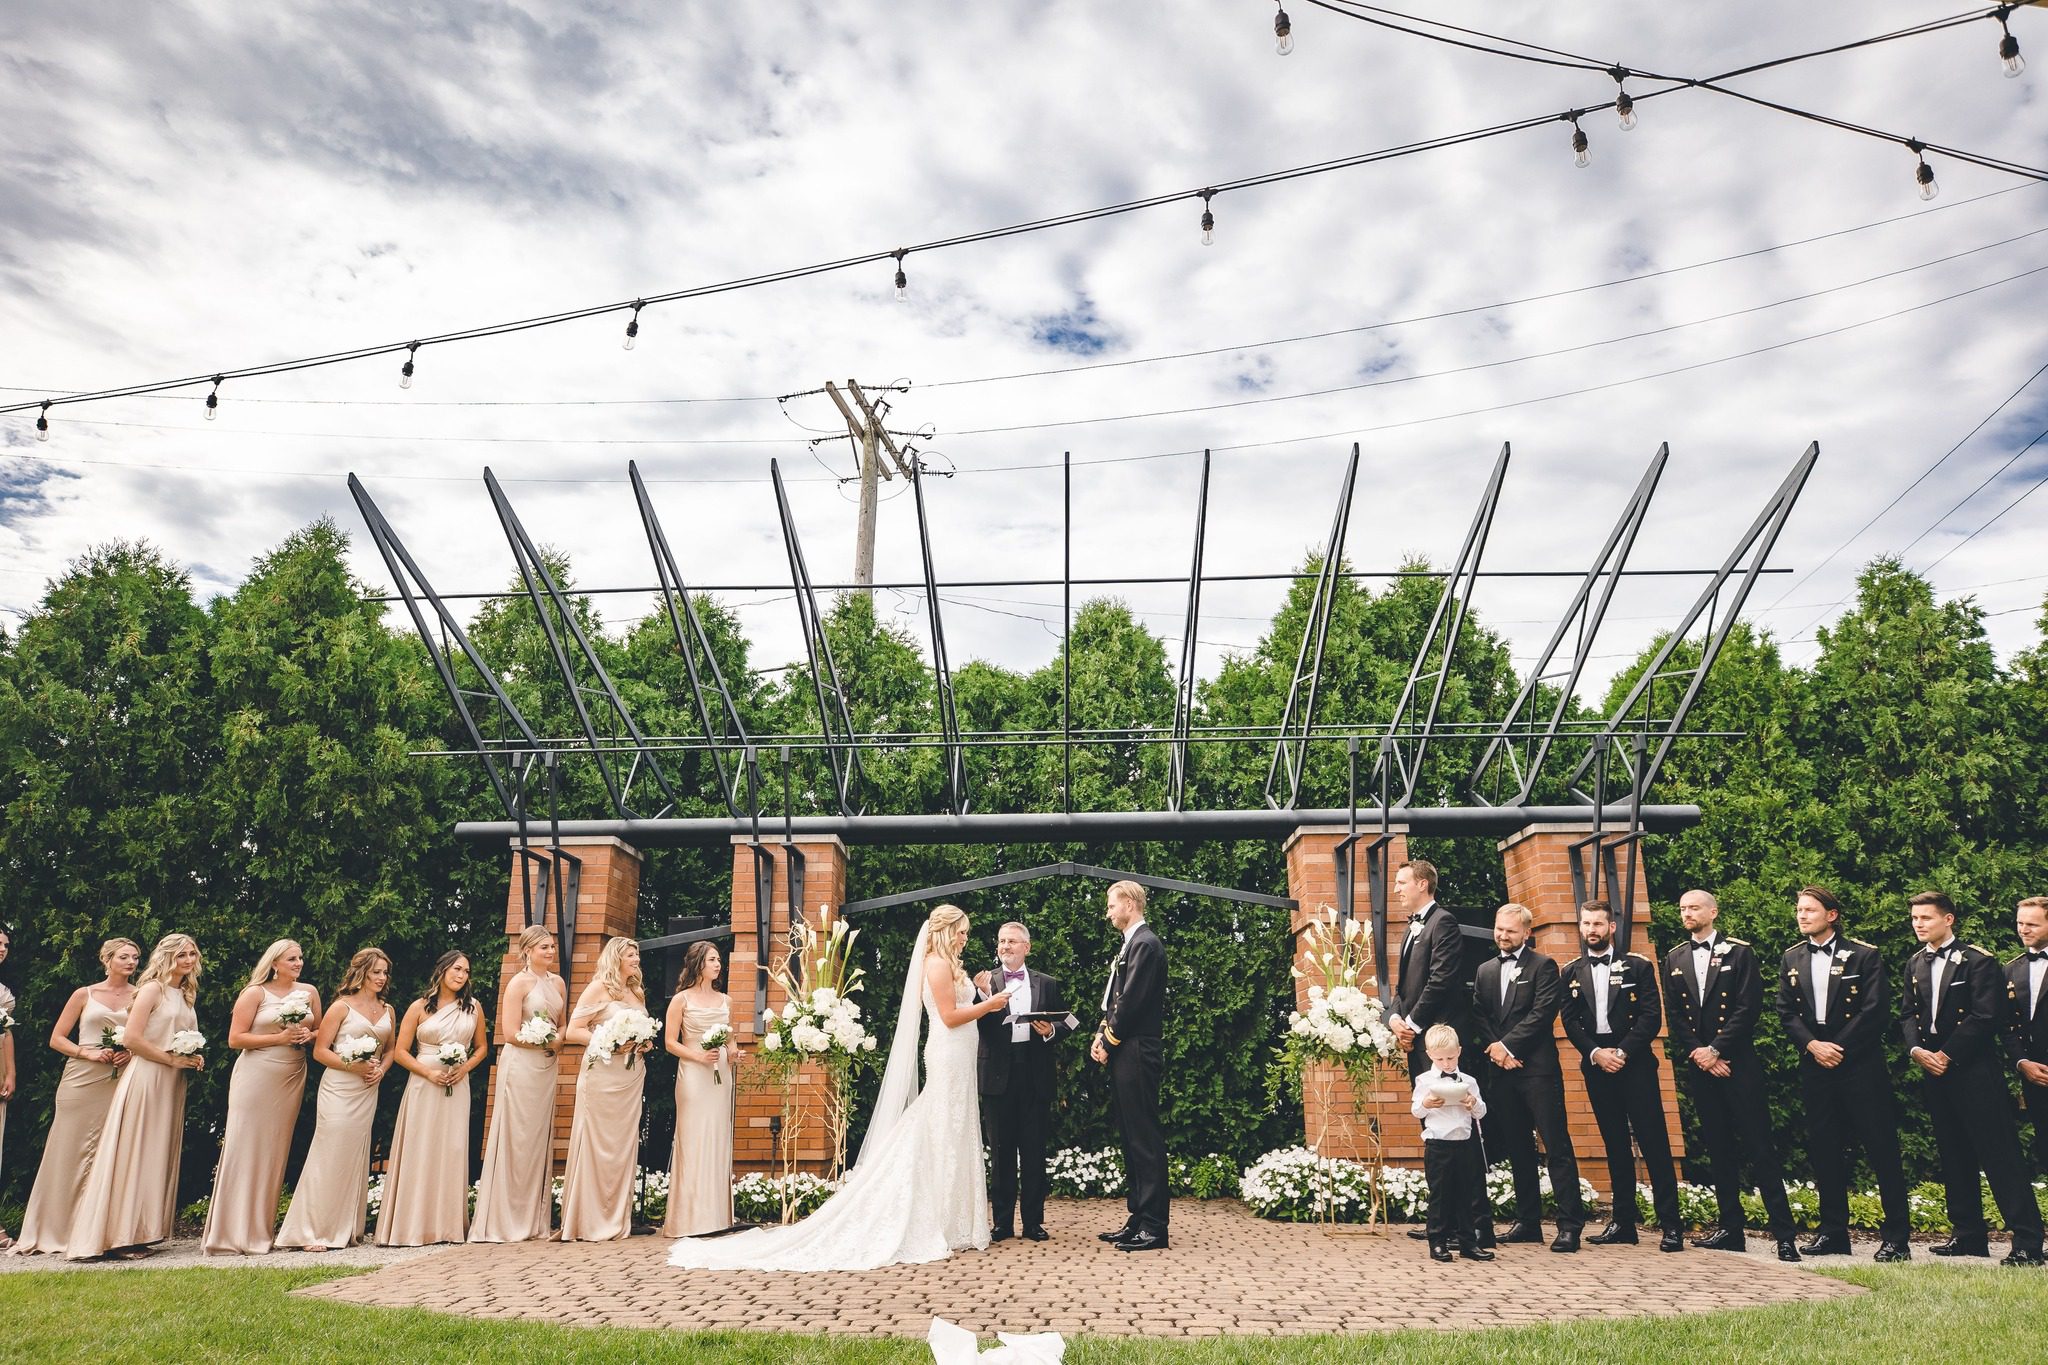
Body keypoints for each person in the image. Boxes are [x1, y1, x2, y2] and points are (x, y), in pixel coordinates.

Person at [667, 904, 1008, 1272]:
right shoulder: (937, 965)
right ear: (945, 930)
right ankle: (933, 1216)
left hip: (960, 1058)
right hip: (947, 1054)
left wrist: (979, 990)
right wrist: (988, 1005)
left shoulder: (950, 966)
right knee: (939, 1127)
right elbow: (949, 1016)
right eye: (961, 932)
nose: (965, 938)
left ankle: (952, 1219)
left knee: (952, 1131)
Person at [1900, 890, 2045, 1265]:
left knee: (2000, 1155)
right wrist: (1918, 1052)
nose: (1918, 924)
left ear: (1948, 919)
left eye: (1926, 918)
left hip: (1974, 1071)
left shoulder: (1978, 961)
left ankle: (2027, 1241)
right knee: (1953, 1153)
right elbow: (1907, 1015)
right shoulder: (1914, 962)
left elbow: (1987, 1016)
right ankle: (1968, 1235)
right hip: (1933, 1070)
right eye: (1915, 918)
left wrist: (1947, 1055)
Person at [1660, 891, 1800, 1263]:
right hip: (1701, 1066)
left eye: (1693, 907)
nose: (1687, 913)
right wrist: (1701, 1055)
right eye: (1683, 908)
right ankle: (1730, 1230)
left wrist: (1717, 1050)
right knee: (1718, 1148)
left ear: (1713, 912)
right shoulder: (1674, 957)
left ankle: (1784, 1236)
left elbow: (1748, 1007)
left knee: (1760, 1148)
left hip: (1737, 1064)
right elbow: (1674, 1015)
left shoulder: (1740, 952)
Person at [1774, 885, 1911, 1262]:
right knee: (1824, 1148)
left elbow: (1875, 1010)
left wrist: (1839, 1048)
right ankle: (1834, 1232)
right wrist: (1812, 1046)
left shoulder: (1864, 955)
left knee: (1881, 1148)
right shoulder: (1791, 958)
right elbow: (1785, 1011)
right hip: (1815, 1063)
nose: (1801, 916)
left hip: (1859, 1064)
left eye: (1809, 910)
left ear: (1831, 914)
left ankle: (1897, 1238)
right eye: (1799, 909)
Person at [67, 933, 206, 1261]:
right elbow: (132, 1038)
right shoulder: (152, 989)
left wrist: (193, 1055)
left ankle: (142, 1231)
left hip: (172, 1083)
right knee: (135, 1152)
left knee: (155, 1153)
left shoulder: (185, 993)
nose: (188, 960)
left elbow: (178, 1035)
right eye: (182, 954)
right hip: (147, 1078)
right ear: (167, 956)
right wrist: (171, 1058)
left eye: (192, 954)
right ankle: (119, 1237)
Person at [1558, 899, 1683, 1252]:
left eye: (1598, 924)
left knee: (1654, 1143)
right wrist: (1596, 1053)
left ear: (1611, 928)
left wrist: (1622, 1052)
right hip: (1597, 1063)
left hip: (1635, 1062)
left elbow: (1650, 1017)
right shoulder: (1570, 971)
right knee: (1614, 1144)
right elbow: (1569, 1021)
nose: (1591, 930)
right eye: (1586, 924)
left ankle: (1671, 1226)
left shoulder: (1638, 967)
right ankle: (1623, 1223)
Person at [13, 938, 139, 1255]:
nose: (131, 962)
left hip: (121, 1079)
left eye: (136, 957)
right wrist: (86, 1052)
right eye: (124, 956)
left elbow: (147, 1037)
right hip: (81, 1079)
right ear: (107, 960)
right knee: (68, 1149)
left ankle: (103, 1233)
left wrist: (132, 1053)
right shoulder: (85, 994)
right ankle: (56, 1229)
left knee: (114, 1151)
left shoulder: (140, 995)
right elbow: (56, 1038)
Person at [1469, 903, 1583, 1253]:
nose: (1503, 935)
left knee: (1556, 1145)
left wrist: (1508, 1046)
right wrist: (1495, 1049)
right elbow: (1479, 1014)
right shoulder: (1486, 969)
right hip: (1501, 1072)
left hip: (1536, 1068)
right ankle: (1528, 1222)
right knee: (1518, 1148)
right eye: (1500, 929)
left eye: (1511, 931)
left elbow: (1543, 1013)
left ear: (1526, 933)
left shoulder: (1544, 966)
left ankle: (1569, 1226)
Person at [203, 939, 320, 1255]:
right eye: (291, 958)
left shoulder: (309, 992)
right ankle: (231, 1234)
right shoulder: (255, 993)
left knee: (274, 1150)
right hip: (256, 1076)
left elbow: (322, 1031)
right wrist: (279, 1037)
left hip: (292, 1074)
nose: (298, 963)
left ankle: (261, 1231)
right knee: (245, 1146)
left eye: (300, 958)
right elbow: (235, 1039)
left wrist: (309, 1036)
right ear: (274, 963)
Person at [277, 947, 395, 1251]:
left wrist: (381, 1069)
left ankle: (346, 1228)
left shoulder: (388, 1010)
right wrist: (351, 1065)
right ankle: (311, 1230)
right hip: (340, 1087)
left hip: (368, 1088)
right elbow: (320, 1051)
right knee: (329, 1153)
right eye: (376, 972)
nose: (382, 978)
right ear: (362, 973)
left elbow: (391, 1048)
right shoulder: (341, 1007)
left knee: (354, 1155)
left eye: (384, 972)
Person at [973, 921, 1075, 1243]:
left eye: (1012, 942)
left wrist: (1052, 1032)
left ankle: (1033, 1223)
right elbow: (978, 1026)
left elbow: (1068, 1020)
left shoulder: (1047, 983)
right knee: (1001, 1153)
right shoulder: (984, 983)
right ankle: (1002, 1223)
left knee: (1033, 1153)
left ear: (1026, 947)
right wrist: (983, 997)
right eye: (1002, 941)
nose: (1005, 947)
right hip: (997, 1075)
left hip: (1034, 1074)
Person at [375, 951, 487, 1246]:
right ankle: (411, 1226)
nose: (462, 975)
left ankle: (447, 1226)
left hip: (456, 1086)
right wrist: (428, 1073)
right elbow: (399, 1052)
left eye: (466, 971)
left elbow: (481, 1049)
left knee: (451, 1148)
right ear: (443, 969)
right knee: (420, 1147)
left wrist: (463, 1069)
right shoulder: (419, 1007)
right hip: (424, 1085)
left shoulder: (474, 1008)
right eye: (457, 969)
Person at [471, 926, 565, 1243]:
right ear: (527, 951)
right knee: (517, 1136)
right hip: (522, 1064)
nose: (550, 952)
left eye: (551, 947)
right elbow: (510, 1032)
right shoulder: (518, 984)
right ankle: (505, 1219)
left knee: (538, 1138)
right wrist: (539, 1041)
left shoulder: (559, 983)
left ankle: (533, 1219)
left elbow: (562, 1024)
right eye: (543, 948)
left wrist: (557, 1040)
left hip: (546, 1066)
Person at [1090, 881, 1169, 1253]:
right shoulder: (1132, 944)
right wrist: (1101, 1033)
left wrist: (1109, 1041)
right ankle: (1137, 1218)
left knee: (1144, 1138)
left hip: (1137, 1049)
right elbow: (1117, 1002)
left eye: (1111, 905)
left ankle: (1155, 1226)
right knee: (1129, 1137)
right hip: (1127, 1049)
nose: (1108, 911)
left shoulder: (1146, 944)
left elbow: (1133, 1000)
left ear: (1130, 904)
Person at [558, 936, 652, 1242]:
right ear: (616, 958)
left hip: (630, 1076)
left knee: (622, 1147)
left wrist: (645, 1042)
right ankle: (588, 1219)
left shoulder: (636, 991)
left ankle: (617, 1216)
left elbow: (644, 1031)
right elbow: (574, 1030)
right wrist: (610, 1041)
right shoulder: (600, 987)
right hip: (602, 1074)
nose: (636, 959)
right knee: (597, 1143)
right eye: (630, 955)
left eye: (637, 954)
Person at [662, 940, 736, 1238]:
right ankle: (688, 1219)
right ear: (698, 964)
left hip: (721, 1075)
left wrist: (733, 1052)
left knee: (717, 1137)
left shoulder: (726, 1001)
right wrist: (697, 1056)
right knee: (693, 1138)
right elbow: (670, 1042)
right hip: (693, 1074)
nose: (717, 965)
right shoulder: (681, 1000)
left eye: (718, 960)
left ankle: (716, 1217)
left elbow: (730, 1038)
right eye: (712, 960)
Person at [1412, 1023, 1491, 1263]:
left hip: (1464, 1143)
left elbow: (1481, 1111)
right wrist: (1426, 1103)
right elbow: (1416, 1111)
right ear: (1430, 1056)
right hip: (1438, 1145)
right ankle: (1438, 1242)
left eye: (1450, 1057)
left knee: (1466, 1195)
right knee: (1440, 1196)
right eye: (1440, 1059)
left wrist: (1472, 1104)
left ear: (1459, 1051)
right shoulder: (1424, 1080)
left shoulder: (1469, 1080)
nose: (1446, 1063)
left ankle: (1468, 1242)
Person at [1388, 861, 1466, 1082]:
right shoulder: (1409, 929)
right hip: (1416, 1039)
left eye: (1402, 883)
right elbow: (1402, 986)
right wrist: (1395, 1018)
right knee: (1425, 1109)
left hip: (1439, 1040)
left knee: (1445, 1109)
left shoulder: (1443, 922)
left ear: (1422, 884)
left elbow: (1440, 979)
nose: (1396, 890)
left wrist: (1411, 1025)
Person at [2006, 895, 2048, 1175]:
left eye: (2031, 924)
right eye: (2020, 923)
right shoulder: (2011, 968)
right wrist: (2022, 1062)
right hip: (2034, 1073)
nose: (2023, 930)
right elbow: (2007, 1024)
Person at [0, 928, 16, 1248]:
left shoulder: (2, 993)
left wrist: (10, 1073)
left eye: (5, 944)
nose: (2, 948)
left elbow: (6, 1033)